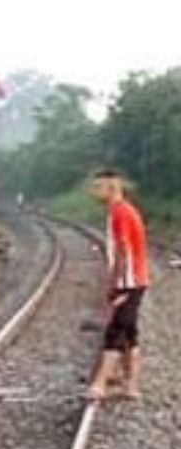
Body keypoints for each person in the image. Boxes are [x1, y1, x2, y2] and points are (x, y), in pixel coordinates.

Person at [87, 169, 150, 401]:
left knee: (115, 331)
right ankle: (131, 386)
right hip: (135, 281)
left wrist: (113, 284)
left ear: (112, 187)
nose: (94, 192)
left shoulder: (120, 213)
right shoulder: (120, 210)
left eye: (97, 187)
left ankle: (100, 383)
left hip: (129, 282)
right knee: (129, 332)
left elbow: (123, 251)